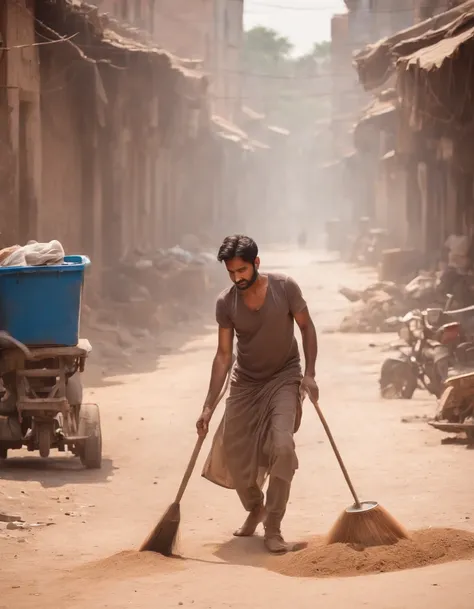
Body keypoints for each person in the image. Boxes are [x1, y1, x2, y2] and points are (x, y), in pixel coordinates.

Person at [197, 235, 318, 554]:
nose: (237, 278)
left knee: (283, 447)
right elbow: (224, 355)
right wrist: (208, 407)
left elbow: (306, 326)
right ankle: (255, 507)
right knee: (233, 451)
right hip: (246, 382)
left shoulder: (285, 287)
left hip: (284, 376)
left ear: (256, 263)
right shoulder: (226, 303)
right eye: (230, 273)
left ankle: (273, 526)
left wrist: (310, 374)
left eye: (242, 271)